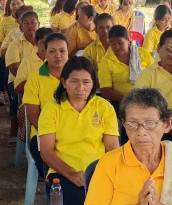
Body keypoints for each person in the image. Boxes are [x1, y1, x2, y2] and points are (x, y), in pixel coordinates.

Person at [39, 56, 119, 204]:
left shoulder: (104, 107)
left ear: (93, 83)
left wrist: (104, 174)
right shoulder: (51, 109)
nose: (80, 88)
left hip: (99, 172)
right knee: (76, 198)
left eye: (86, 82)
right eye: (74, 81)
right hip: (62, 173)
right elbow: (46, 151)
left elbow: (113, 149)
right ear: (64, 82)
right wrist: (71, 174)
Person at [85, 88, 172, 205]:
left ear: (167, 124)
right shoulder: (109, 163)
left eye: (150, 123)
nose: (141, 132)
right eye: (132, 124)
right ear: (124, 125)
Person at [22, 32, 68, 178]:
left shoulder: (76, 75)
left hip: (73, 133)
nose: (58, 55)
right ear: (45, 53)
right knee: (54, 171)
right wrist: (51, 135)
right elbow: (33, 115)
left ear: (68, 52)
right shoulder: (35, 77)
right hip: (43, 134)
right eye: (52, 51)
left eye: (62, 51)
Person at [98, 25, 153, 111]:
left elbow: (154, 76)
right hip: (121, 102)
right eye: (113, 44)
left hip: (147, 99)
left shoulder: (143, 54)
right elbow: (105, 91)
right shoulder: (106, 61)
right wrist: (130, 98)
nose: (117, 47)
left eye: (120, 43)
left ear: (128, 40)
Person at [6, 11, 40, 144]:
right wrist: (35, 83)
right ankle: (14, 132)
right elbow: (14, 68)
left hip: (41, 82)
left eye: (33, 23)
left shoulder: (44, 44)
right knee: (16, 99)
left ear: (39, 24)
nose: (30, 26)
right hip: (17, 80)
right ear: (21, 27)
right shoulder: (15, 44)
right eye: (26, 23)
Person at [136, 30, 172, 112]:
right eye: (169, 49)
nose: (171, 54)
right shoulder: (147, 75)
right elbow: (139, 107)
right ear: (159, 48)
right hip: (158, 122)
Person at [14, 27, 53, 94]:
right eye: (43, 42)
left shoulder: (58, 61)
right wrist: (40, 81)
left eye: (50, 42)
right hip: (33, 100)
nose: (47, 46)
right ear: (36, 43)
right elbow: (18, 88)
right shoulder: (27, 61)